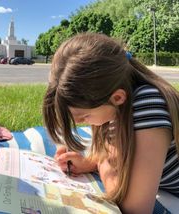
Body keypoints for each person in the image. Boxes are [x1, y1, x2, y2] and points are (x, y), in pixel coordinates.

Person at [42, 32, 179, 213]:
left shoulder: (148, 106)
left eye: (84, 117)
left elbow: (135, 208)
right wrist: (90, 162)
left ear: (117, 97)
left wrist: (102, 163)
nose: (84, 123)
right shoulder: (118, 108)